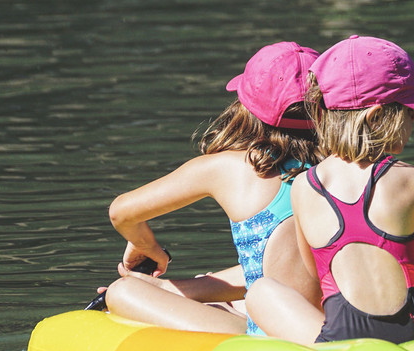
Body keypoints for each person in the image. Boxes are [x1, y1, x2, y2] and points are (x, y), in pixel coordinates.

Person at [246, 35, 414, 345]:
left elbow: (315, 272)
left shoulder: (304, 185)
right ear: (376, 116)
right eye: (411, 112)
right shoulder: (413, 179)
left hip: (341, 341)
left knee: (261, 293)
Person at [101, 41, 324, 334]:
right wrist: (168, 287)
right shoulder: (341, 167)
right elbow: (292, 271)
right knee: (216, 285)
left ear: (245, 107)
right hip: (322, 322)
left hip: (271, 336)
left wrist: (146, 246)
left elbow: (121, 213)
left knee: (120, 292)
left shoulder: (226, 167)